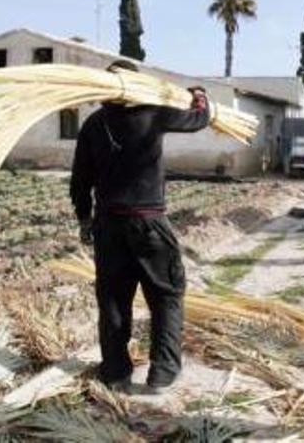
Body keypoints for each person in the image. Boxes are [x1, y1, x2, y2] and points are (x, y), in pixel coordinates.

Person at [69, 60, 210, 393]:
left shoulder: (93, 124)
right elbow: (198, 119)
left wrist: (84, 219)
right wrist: (200, 95)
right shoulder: (154, 114)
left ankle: (116, 372)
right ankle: (162, 372)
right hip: (148, 224)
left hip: (108, 226)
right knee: (166, 296)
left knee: (114, 301)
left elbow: (80, 180)